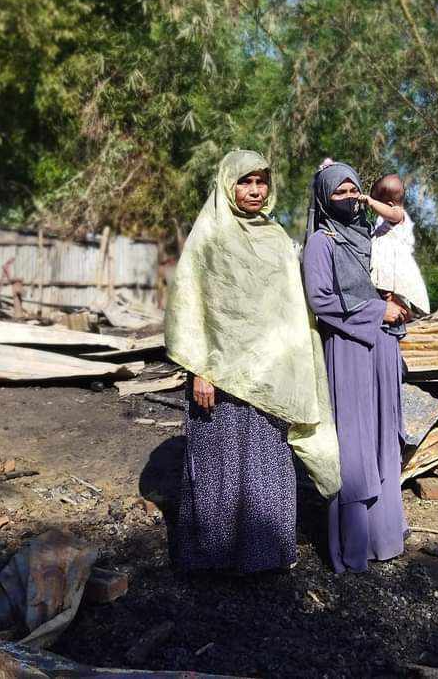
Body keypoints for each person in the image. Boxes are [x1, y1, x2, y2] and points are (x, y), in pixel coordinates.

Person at [164, 149, 340, 574]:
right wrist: (199, 370)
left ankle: (266, 555)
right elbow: (191, 306)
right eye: (246, 181)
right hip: (220, 377)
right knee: (218, 466)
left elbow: (291, 308)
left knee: (266, 463)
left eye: (261, 181)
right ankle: (213, 557)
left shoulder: (277, 238)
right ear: (228, 185)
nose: (255, 190)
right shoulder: (209, 236)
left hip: (271, 376)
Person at [302, 161, 410, 574]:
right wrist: (377, 311)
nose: (348, 198)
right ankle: (354, 545)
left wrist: (396, 307)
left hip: (382, 347)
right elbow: (321, 300)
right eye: (338, 192)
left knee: (384, 434)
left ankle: (387, 533)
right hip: (348, 346)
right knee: (354, 441)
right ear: (324, 198)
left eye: (353, 191)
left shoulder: (369, 234)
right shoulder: (321, 242)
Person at [357, 173, 431, 316]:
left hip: (396, 268)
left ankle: (407, 315)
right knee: (386, 296)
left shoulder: (398, 214)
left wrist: (371, 202)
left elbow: (392, 213)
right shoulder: (383, 222)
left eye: (379, 204)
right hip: (386, 268)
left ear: (390, 205)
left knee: (399, 297)